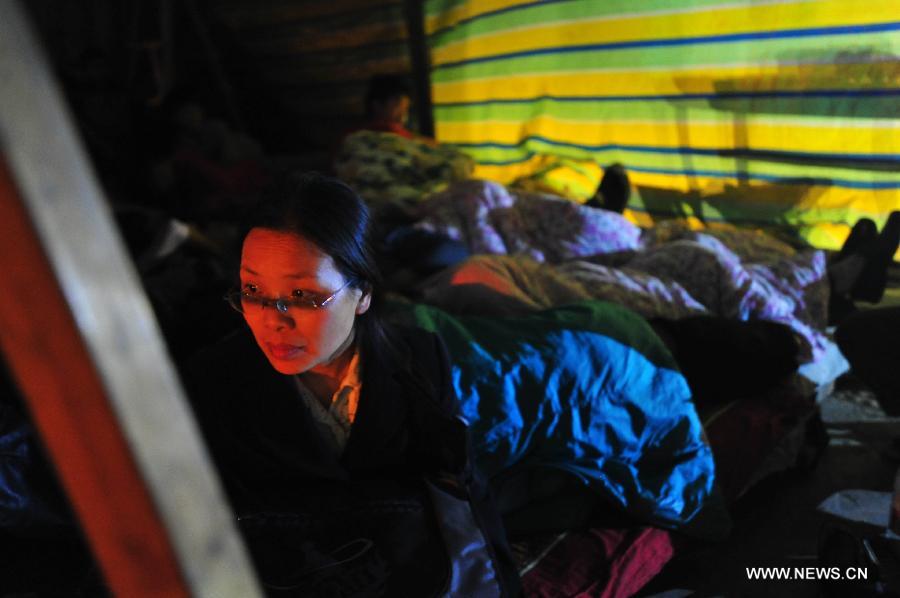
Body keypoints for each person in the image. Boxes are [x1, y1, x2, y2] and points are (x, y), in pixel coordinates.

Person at [185, 172, 520, 596]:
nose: (273, 320)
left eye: (304, 296)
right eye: (253, 289)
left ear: (363, 293)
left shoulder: (419, 362)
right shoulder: (212, 380)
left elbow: (467, 495)